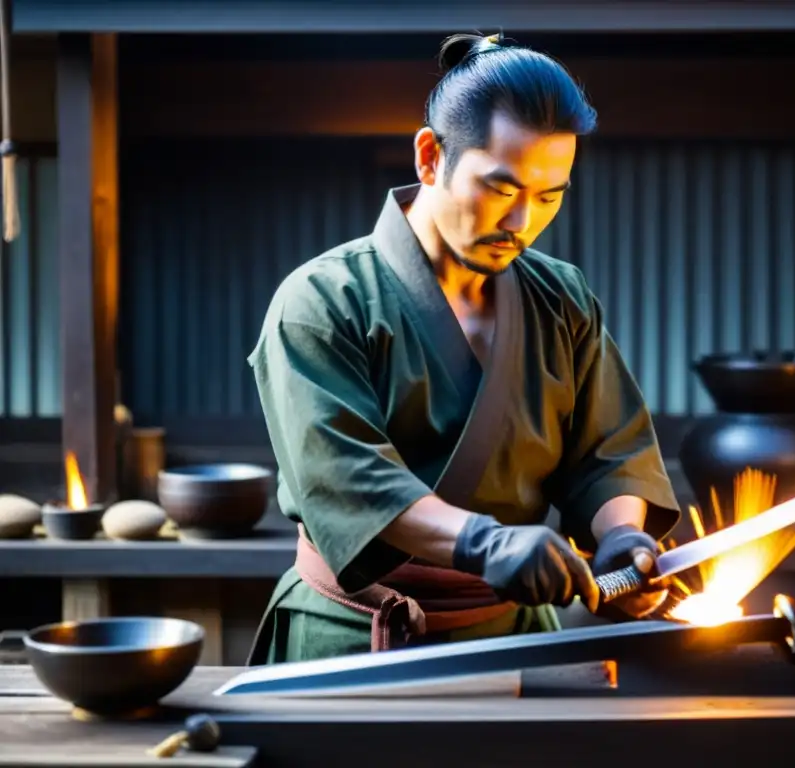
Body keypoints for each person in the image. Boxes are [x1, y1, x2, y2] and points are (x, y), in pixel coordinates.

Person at [246, 32, 682, 665]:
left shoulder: (561, 298)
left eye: (549, 196)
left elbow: (610, 451)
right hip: (354, 640)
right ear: (430, 157)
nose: (522, 222)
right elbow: (347, 481)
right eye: (501, 189)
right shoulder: (321, 301)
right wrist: (487, 544)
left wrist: (621, 538)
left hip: (518, 636)